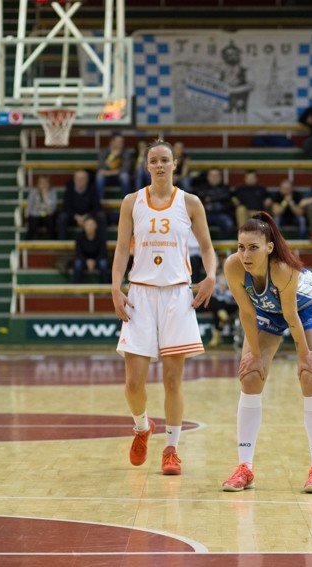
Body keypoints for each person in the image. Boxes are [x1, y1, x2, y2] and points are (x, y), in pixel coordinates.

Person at [111, 139, 216, 476]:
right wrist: (115, 287)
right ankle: (142, 427)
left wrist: (211, 276)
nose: (159, 165)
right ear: (146, 166)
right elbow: (121, 249)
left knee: (173, 379)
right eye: (154, 160)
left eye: (165, 160)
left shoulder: (190, 202)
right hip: (140, 294)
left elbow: (207, 247)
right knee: (133, 383)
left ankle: (171, 449)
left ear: (175, 164)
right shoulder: (132, 202)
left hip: (176, 294)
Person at [220, 212, 312, 493]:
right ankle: (245, 467)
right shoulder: (233, 267)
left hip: (306, 309)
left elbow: (292, 316)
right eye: (241, 247)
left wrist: (304, 355)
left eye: (253, 247)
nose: (245, 254)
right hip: (267, 312)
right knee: (250, 376)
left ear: (269, 248)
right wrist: (255, 355)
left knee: (311, 377)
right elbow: (247, 313)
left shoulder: (282, 269)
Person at [57, 170, 106, 240]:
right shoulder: (69, 190)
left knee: (101, 216)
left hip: (88, 216)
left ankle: (102, 242)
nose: (80, 181)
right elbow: (66, 207)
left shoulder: (92, 189)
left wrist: (86, 216)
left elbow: (97, 207)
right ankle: (62, 242)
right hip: (73, 217)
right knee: (62, 217)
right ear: (74, 180)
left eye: (82, 178)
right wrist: (76, 217)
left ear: (87, 180)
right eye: (77, 178)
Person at [196, 168, 235, 239]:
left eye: (216, 176)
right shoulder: (202, 188)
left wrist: (210, 198)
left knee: (229, 224)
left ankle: (224, 245)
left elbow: (226, 196)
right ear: (208, 177)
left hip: (221, 214)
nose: (214, 178)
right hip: (205, 214)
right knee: (194, 224)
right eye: (212, 175)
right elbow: (200, 197)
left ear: (220, 177)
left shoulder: (225, 188)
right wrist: (218, 197)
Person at [73, 217, 109, 284]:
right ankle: (76, 287)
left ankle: (105, 286)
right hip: (83, 259)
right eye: (88, 225)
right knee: (77, 264)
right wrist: (86, 261)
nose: (90, 227)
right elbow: (78, 252)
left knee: (103, 264)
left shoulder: (101, 236)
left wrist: (94, 261)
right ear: (84, 226)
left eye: (92, 224)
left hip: (98, 259)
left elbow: (103, 252)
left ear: (96, 226)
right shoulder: (79, 236)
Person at [207, 272, 238, 347]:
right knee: (214, 301)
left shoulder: (235, 277)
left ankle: (215, 338)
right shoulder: (215, 278)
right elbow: (212, 292)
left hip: (230, 304)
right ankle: (224, 317)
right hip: (218, 304)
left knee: (217, 312)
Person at [26, 174, 57, 240]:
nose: (43, 184)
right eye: (41, 182)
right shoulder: (33, 192)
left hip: (48, 216)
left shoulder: (52, 192)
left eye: (45, 182)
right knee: (33, 221)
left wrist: (45, 196)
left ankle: (52, 242)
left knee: (50, 220)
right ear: (38, 183)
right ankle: (28, 242)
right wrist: (41, 213)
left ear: (49, 183)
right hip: (35, 215)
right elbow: (30, 208)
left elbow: (53, 208)